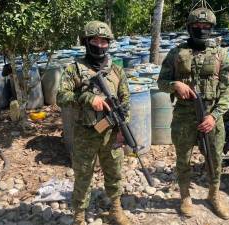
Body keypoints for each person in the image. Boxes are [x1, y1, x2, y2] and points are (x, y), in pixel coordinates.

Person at [157, 7, 229, 220]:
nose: (202, 29)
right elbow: (161, 82)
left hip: (211, 115)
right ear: (189, 27)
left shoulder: (221, 54)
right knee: (183, 158)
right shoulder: (176, 53)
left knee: (215, 158)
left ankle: (213, 195)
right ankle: (185, 197)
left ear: (211, 28)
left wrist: (215, 115)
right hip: (183, 115)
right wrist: (175, 85)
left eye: (206, 26)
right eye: (197, 26)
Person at [57, 21, 131, 225]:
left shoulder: (116, 71)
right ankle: (79, 216)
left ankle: (116, 209)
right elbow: (61, 96)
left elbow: (126, 100)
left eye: (104, 41)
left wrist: (124, 124)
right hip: (85, 133)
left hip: (111, 132)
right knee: (83, 176)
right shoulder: (75, 69)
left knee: (114, 172)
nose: (100, 45)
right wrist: (88, 98)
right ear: (86, 42)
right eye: (95, 40)